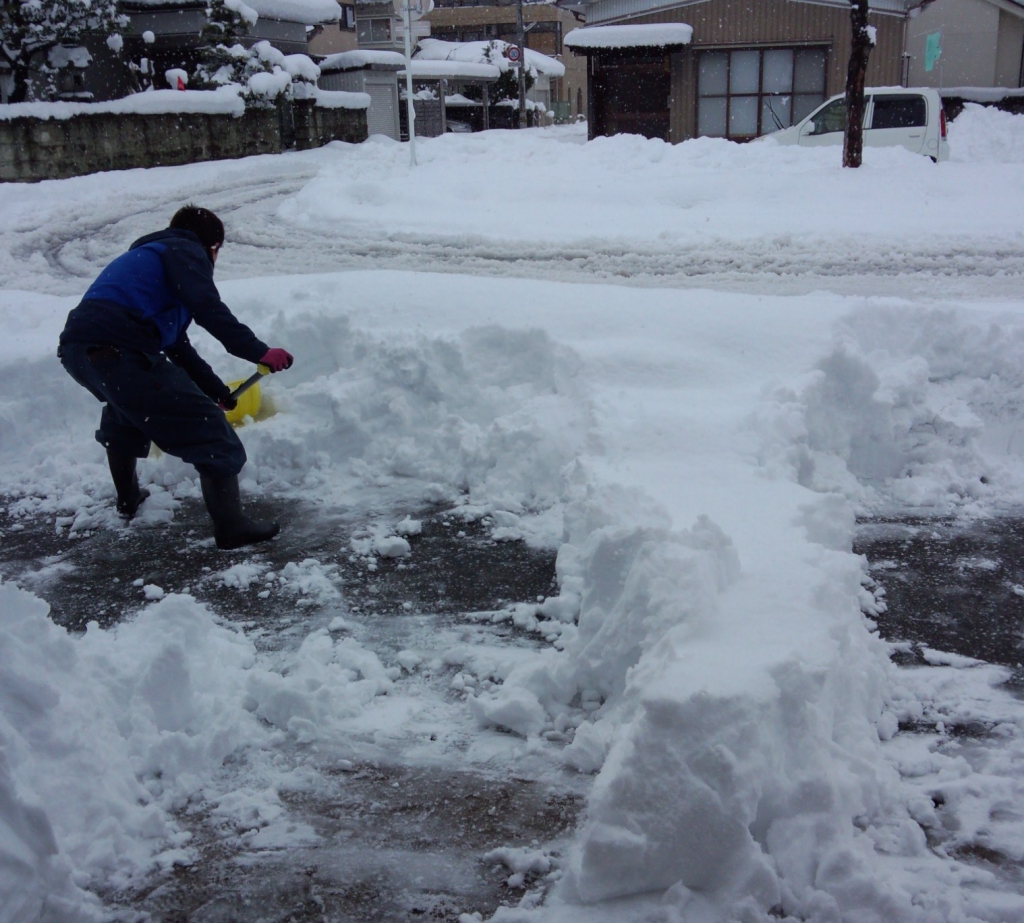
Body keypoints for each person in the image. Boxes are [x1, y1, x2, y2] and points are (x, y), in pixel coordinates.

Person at [57, 205, 293, 550]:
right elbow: (207, 305)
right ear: (212, 246)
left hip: (80, 352)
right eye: (216, 252)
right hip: (120, 349)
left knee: (128, 410)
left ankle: (129, 499)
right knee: (212, 432)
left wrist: (216, 390)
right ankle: (232, 527)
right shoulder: (183, 249)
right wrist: (257, 351)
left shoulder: (149, 263)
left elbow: (179, 348)